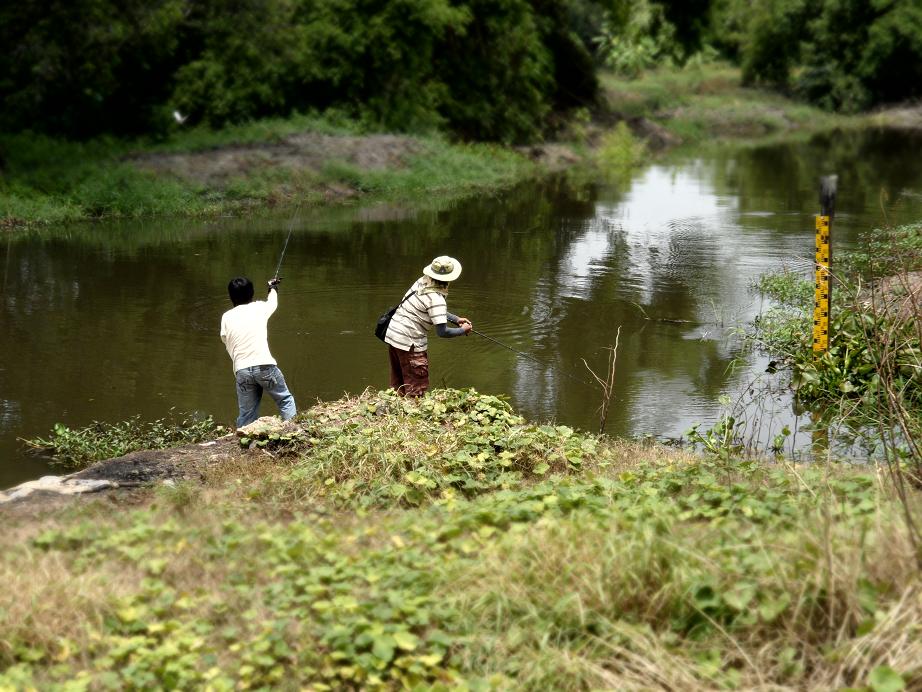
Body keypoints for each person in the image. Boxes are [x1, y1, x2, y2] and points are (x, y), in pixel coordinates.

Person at [384, 256, 473, 397]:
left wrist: (455, 319)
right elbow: (442, 332)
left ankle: (397, 412)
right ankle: (411, 415)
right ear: (448, 279)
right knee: (416, 388)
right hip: (410, 342)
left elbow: (431, 309)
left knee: (399, 383)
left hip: (394, 335)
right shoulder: (437, 298)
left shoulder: (422, 281)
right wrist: (463, 330)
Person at [220, 277, 297, 427]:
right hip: (265, 366)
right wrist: (272, 288)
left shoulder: (226, 317)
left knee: (247, 414)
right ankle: (292, 432)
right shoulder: (259, 308)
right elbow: (272, 303)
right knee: (285, 400)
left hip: (241, 370)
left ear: (230, 296)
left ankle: (245, 444)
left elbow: (225, 339)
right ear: (252, 293)